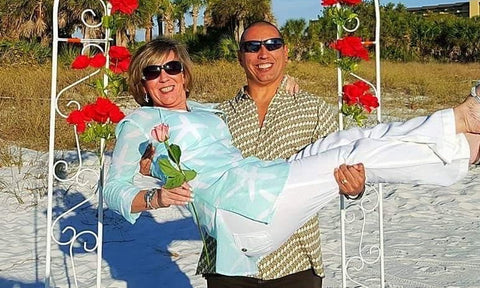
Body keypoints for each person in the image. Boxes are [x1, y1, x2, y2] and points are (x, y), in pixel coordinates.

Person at [104, 37, 480, 277]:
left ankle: (465, 149)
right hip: (240, 212)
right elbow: (113, 190)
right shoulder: (139, 122)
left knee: (352, 138)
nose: (164, 77)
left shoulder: (206, 112)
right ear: (142, 84)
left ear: (184, 74)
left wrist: (283, 83)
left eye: (172, 67)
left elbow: (245, 102)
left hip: (260, 187)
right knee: (354, 149)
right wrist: (157, 196)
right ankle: (459, 123)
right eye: (153, 72)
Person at [199, 21, 363, 288]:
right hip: (228, 262)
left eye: (272, 45)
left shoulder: (313, 109)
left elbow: (344, 164)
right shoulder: (219, 116)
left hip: (295, 260)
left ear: (285, 52)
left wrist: (355, 186)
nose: (263, 54)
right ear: (240, 57)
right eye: (252, 47)